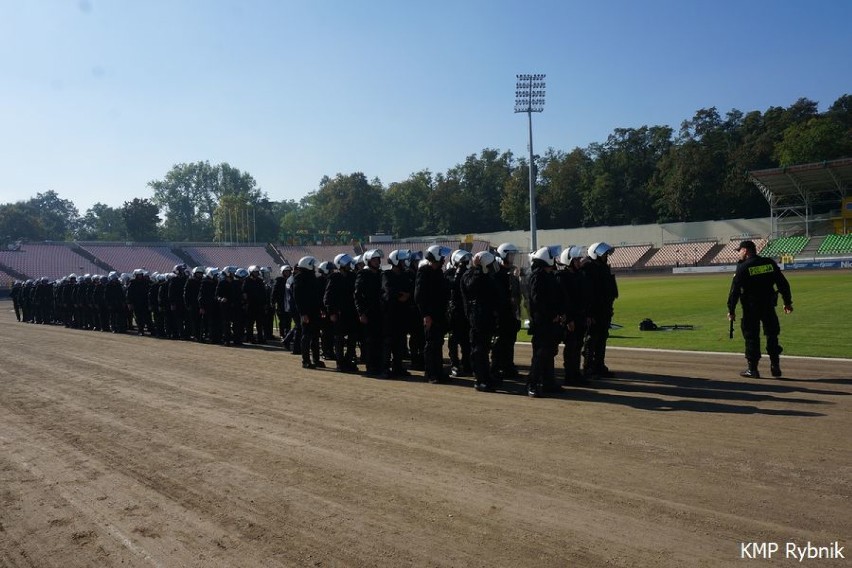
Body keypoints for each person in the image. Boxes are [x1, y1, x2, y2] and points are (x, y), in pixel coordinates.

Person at [726, 240, 793, 378]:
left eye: (739, 250)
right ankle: (775, 366)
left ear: (745, 250)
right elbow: (783, 284)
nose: (738, 253)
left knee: (751, 337)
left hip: (751, 308)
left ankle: (753, 369)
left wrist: (731, 310)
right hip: (768, 305)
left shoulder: (743, 267)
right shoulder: (769, 263)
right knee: (772, 335)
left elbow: (734, 292)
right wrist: (787, 302)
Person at [526, 246, 566, 397]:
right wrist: (551, 315)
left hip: (552, 320)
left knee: (550, 352)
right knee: (541, 354)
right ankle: (532, 383)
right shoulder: (538, 276)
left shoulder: (549, 275)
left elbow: (557, 297)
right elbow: (538, 301)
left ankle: (549, 382)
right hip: (543, 321)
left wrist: (560, 313)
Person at [581, 242, 618, 378]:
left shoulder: (603, 268)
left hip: (604, 309)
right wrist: (588, 313)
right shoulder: (589, 268)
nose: (606, 256)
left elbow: (608, 290)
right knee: (591, 340)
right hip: (593, 311)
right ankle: (588, 367)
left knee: (602, 339)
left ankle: (599, 365)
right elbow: (587, 293)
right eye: (604, 254)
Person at [415, 245, 452, 383]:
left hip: (440, 313)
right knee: (431, 344)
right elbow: (419, 296)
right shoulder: (424, 272)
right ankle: (431, 373)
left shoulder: (439, 272)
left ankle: (439, 371)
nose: (443, 259)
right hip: (430, 315)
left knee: (438, 343)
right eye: (441, 256)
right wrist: (426, 315)